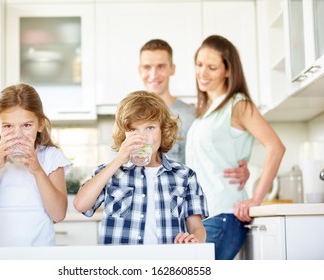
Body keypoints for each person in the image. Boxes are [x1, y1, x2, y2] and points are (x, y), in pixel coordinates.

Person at [186, 35, 286, 259]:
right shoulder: (206, 112)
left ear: (228, 70)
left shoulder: (238, 104)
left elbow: (276, 147)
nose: (202, 73)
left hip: (223, 215)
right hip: (204, 217)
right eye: (199, 65)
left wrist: (255, 198)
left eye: (212, 67)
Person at [74, 90, 208, 245]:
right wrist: (118, 160)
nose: (142, 137)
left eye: (150, 127)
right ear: (124, 134)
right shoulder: (110, 172)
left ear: (163, 130)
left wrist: (195, 239)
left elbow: (197, 228)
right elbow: (81, 205)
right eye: (133, 129)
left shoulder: (184, 176)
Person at [139, 39, 250, 188]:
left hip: (182, 205)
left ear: (172, 69)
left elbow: (214, 157)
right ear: (140, 70)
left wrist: (242, 169)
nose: (154, 74)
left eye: (161, 66)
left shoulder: (194, 115)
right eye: (147, 67)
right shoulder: (129, 117)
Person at [0, 83, 71, 246]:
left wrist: (37, 170)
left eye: (26, 125)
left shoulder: (51, 157)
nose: (17, 134)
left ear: (40, 124)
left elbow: (58, 214)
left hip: (40, 253)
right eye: (8, 126)